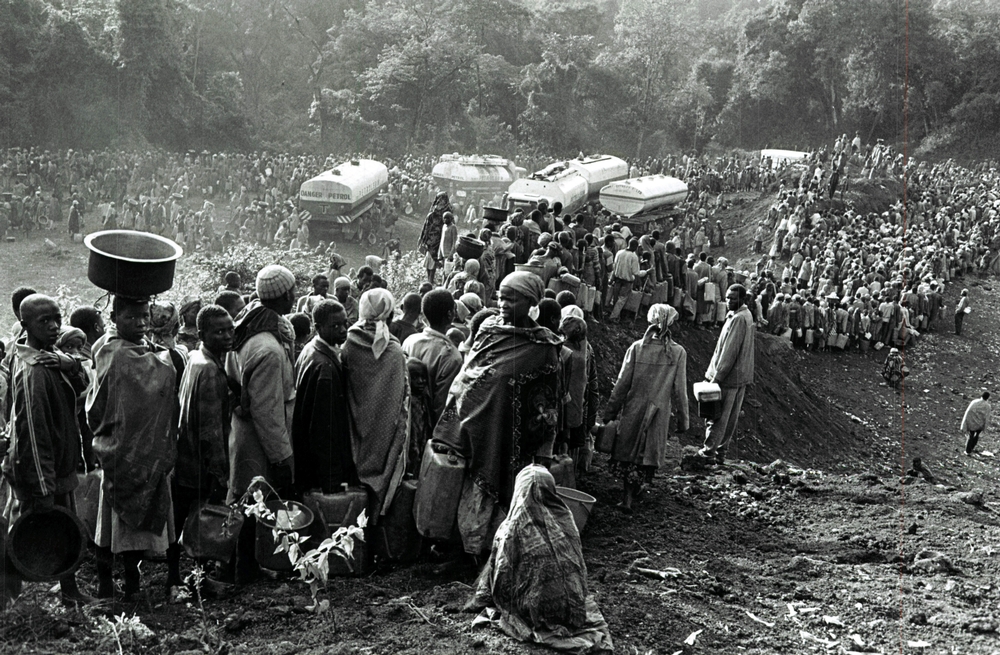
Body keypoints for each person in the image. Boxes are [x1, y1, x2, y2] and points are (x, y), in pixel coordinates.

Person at [434, 272, 563, 555]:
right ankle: (460, 550)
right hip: (469, 430)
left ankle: (487, 556)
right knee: (459, 491)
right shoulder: (489, 329)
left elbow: (548, 407)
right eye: (501, 297)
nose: (503, 304)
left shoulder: (542, 349)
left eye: (511, 299)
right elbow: (468, 374)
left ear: (530, 301)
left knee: (495, 504)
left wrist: (544, 452)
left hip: (507, 442)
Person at [3, 294, 94, 606]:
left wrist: (68, 361)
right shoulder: (34, 371)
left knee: (65, 526)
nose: (55, 326)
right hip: (37, 467)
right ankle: (9, 601)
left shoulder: (48, 355)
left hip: (57, 462)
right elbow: (32, 431)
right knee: (21, 530)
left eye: (57, 317)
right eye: (45, 321)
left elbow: (83, 384)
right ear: (25, 325)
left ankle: (69, 589)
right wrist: (42, 485)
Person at [87, 295, 178, 600]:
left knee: (113, 527)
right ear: (114, 317)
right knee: (116, 528)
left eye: (144, 317)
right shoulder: (120, 354)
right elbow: (158, 371)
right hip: (126, 451)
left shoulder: (108, 346)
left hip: (120, 448)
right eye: (131, 318)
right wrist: (167, 358)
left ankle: (120, 585)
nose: (140, 324)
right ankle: (123, 587)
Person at [465, 465, 613, 653]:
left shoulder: (512, 528)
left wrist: (479, 600)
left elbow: (498, 571)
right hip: (574, 609)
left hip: (536, 613)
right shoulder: (566, 519)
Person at [226, 265, 297, 583]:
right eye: (291, 292)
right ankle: (242, 569)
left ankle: (239, 565)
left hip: (244, 432)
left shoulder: (247, 324)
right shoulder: (267, 349)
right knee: (250, 501)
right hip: (259, 438)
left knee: (244, 498)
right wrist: (281, 456)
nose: (295, 297)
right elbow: (267, 412)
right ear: (282, 297)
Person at [167, 304, 234, 592]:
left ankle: (178, 578)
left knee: (182, 519)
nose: (228, 336)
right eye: (219, 331)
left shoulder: (196, 357)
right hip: (199, 461)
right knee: (201, 521)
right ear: (203, 333)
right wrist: (219, 473)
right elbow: (211, 431)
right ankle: (197, 579)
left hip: (185, 456)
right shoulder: (208, 370)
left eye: (230, 329)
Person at [602, 304, 689, 512]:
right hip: (658, 413)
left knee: (630, 453)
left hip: (634, 410)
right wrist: (683, 419)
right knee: (645, 454)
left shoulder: (637, 348)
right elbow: (680, 390)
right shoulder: (677, 353)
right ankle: (638, 488)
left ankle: (627, 498)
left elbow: (622, 383)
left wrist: (610, 412)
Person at [341, 288, 410, 521]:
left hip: (351, 424)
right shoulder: (393, 350)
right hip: (382, 431)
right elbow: (401, 397)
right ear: (389, 315)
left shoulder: (347, 342)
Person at [292, 299, 357, 493]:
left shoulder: (312, 348)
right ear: (318, 327)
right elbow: (324, 430)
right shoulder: (325, 369)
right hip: (319, 467)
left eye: (345, 323)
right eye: (335, 326)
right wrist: (332, 477)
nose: (343, 330)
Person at [698, 284, 754, 465]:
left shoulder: (738, 319)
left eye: (733, 298)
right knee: (729, 418)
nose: (729, 301)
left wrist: (717, 378)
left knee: (717, 417)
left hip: (728, 378)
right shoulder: (744, 315)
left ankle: (709, 453)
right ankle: (721, 453)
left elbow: (729, 352)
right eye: (728, 298)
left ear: (743, 299)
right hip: (739, 377)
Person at [402, 289, 463, 424]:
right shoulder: (451, 356)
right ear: (450, 314)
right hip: (428, 428)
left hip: (405, 422)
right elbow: (442, 407)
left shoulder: (410, 341)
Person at [962, 391, 992, 456]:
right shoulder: (988, 406)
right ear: (988, 398)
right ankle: (971, 448)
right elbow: (987, 417)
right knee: (976, 436)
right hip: (980, 424)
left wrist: (964, 424)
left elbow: (968, 412)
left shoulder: (974, 402)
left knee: (971, 435)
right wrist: (985, 428)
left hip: (972, 422)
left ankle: (968, 450)